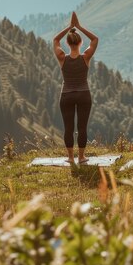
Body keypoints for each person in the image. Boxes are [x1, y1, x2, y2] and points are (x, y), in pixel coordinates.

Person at [53, 11, 98, 164]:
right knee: (82, 127)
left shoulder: (61, 57)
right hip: (84, 95)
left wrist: (69, 27)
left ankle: (71, 158)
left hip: (66, 95)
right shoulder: (85, 57)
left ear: (68, 43)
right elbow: (95, 39)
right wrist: (78, 26)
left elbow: (55, 39)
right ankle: (81, 157)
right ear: (80, 43)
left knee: (68, 128)